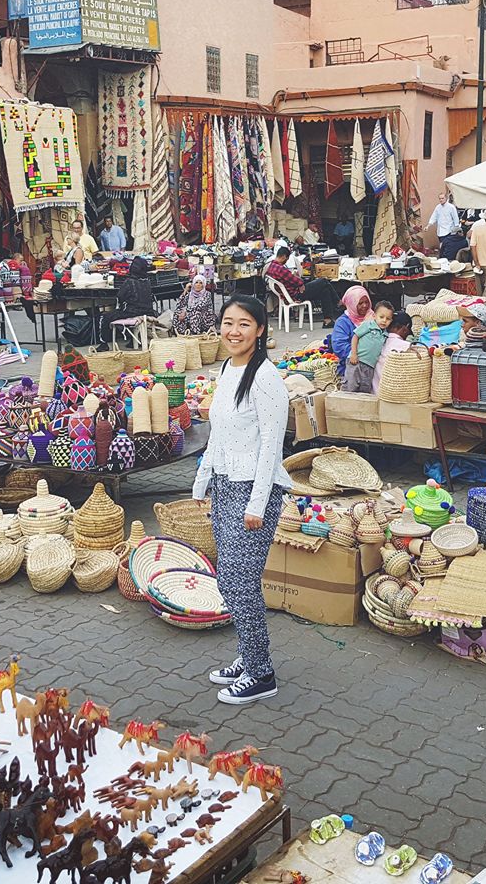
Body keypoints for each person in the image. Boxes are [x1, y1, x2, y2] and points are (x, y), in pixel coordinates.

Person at [193, 296, 291, 705]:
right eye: (228, 322)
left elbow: (272, 443)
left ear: (261, 330)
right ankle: (249, 655)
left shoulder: (265, 377)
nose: (234, 331)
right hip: (225, 483)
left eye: (244, 324)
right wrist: (202, 480)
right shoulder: (228, 369)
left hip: (255, 489)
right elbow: (219, 432)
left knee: (240, 583)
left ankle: (261, 672)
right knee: (229, 580)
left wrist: (256, 502)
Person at [99, 255, 157, 346]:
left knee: (105, 317)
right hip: (148, 311)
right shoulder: (147, 281)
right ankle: (133, 338)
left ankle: (104, 343)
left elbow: (120, 297)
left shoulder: (129, 282)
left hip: (131, 312)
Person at [346, 301, 394, 392]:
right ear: (374, 316)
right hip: (357, 361)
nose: (384, 320)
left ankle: (360, 406)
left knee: (365, 389)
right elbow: (355, 337)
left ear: (391, 321)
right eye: (381, 317)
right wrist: (353, 354)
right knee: (350, 385)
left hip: (370, 366)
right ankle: (343, 405)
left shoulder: (385, 335)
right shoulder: (368, 325)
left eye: (388, 319)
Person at [330, 285, 373, 375]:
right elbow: (339, 347)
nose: (365, 306)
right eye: (360, 303)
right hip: (351, 365)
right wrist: (363, 354)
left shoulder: (373, 316)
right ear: (351, 303)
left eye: (366, 302)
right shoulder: (343, 322)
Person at [374, 311, 414, 393]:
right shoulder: (407, 347)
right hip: (393, 397)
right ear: (405, 328)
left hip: (374, 393)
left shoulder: (377, 342)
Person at [172, 268, 217, 336]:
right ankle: (182, 332)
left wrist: (185, 311)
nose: (198, 285)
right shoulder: (190, 294)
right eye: (196, 282)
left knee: (195, 313)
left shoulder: (207, 294)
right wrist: (185, 290)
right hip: (190, 314)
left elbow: (199, 306)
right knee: (177, 313)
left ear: (203, 285)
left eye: (200, 283)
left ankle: (195, 334)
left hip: (205, 318)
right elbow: (179, 305)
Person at [429, 192, 465, 261]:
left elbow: (455, 218)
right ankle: (443, 258)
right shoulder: (438, 207)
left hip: (449, 230)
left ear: (446, 198)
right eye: (440, 198)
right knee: (442, 245)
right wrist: (429, 225)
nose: (441, 200)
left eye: (442, 198)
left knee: (447, 245)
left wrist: (456, 228)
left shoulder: (451, 207)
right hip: (440, 230)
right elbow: (434, 217)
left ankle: (448, 258)